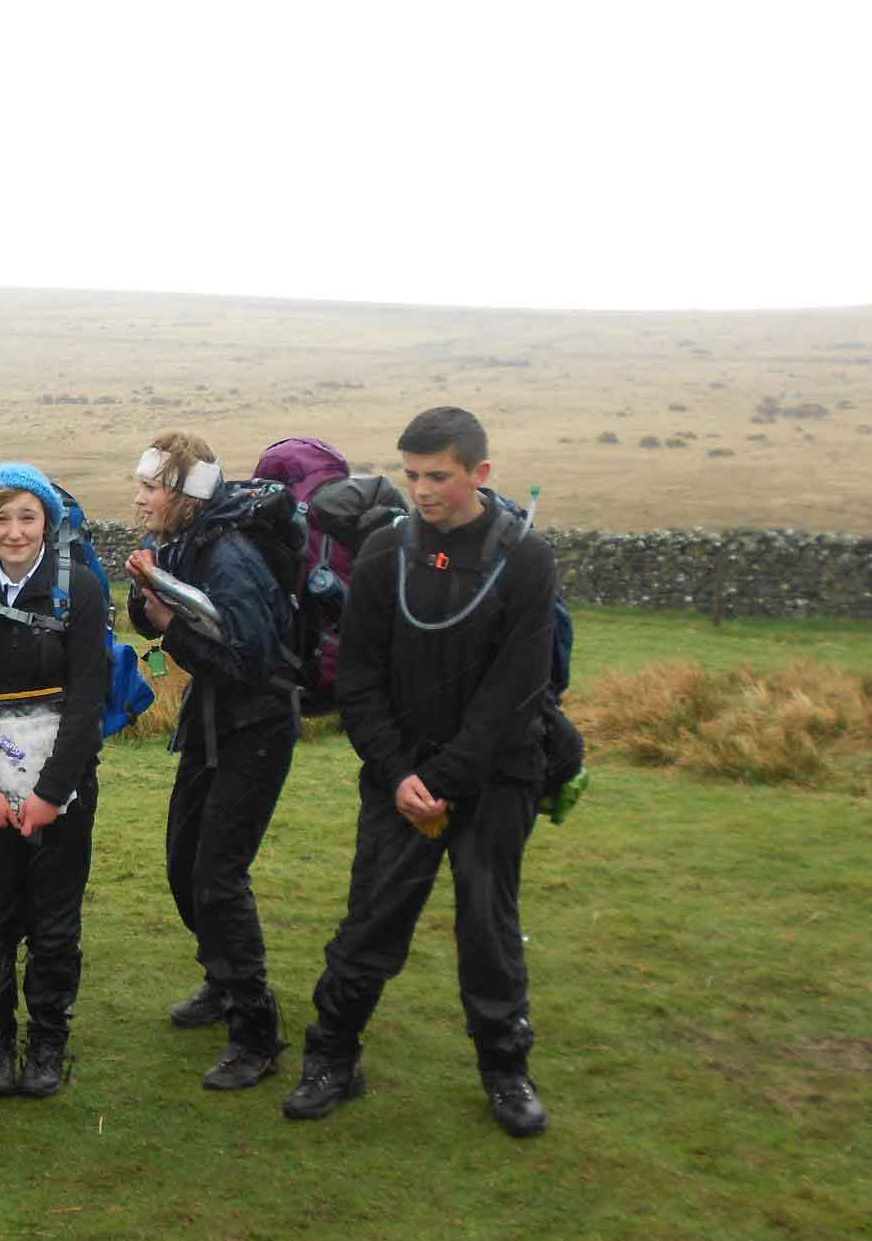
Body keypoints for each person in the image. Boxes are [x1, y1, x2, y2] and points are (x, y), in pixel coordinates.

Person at [284, 406, 557, 1136]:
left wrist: (448, 778)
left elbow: (517, 687)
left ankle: (506, 1071)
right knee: (372, 917)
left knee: (486, 923)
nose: (423, 490)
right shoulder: (385, 551)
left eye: (438, 475)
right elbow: (358, 675)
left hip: (496, 777)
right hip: (399, 776)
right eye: (411, 475)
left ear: (480, 474)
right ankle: (331, 1058)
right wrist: (400, 771)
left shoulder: (526, 559)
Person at [124, 431, 296, 1090]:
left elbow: (249, 662)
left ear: (183, 494)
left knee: (218, 878)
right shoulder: (188, 543)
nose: (139, 497)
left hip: (254, 727)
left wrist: (169, 625)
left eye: (150, 487)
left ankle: (258, 1031)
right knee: (183, 864)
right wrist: (153, 609)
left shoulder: (229, 556)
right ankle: (224, 982)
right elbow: (173, 618)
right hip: (215, 723)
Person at [0, 463, 108, 1097]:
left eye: (26, 517)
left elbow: (88, 700)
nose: (13, 532)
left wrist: (50, 796)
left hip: (62, 792)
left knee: (55, 923)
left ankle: (47, 1045)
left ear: (47, 522)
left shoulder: (83, 591)